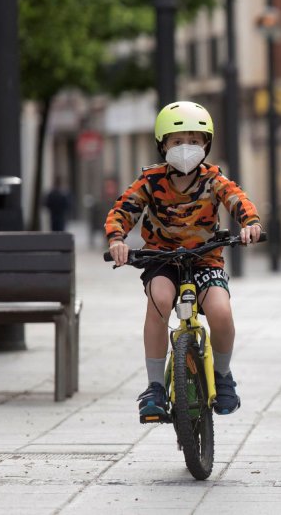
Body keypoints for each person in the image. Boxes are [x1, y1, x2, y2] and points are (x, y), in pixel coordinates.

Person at [105, 101, 262, 421]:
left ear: (207, 144)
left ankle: (222, 376)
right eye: (177, 142)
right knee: (159, 301)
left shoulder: (213, 177)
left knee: (220, 311)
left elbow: (237, 199)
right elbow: (123, 210)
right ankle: (154, 388)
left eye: (194, 140)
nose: (185, 148)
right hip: (161, 258)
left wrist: (250, 224)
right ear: (162, 145)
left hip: (205, 259)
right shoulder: (150, 180)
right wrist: (117, 239)